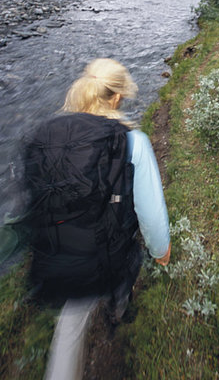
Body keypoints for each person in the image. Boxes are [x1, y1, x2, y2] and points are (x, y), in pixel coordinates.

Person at [25, 57, 171, 309]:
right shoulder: (132, 141)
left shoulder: (48, 134)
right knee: (121, 276)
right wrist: (161, 251)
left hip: (56, 254)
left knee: (73, 314)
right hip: (108, 258)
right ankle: (119, 310)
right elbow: (150, 209)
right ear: (116, 99)